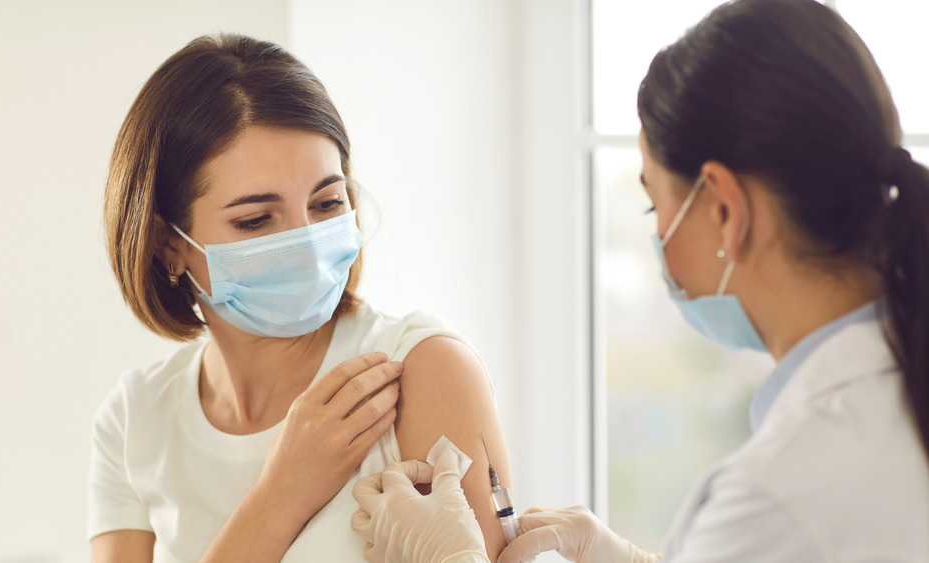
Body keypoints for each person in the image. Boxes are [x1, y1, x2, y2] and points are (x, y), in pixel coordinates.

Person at [350, 0, 929, 561]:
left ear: (725, 210)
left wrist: (451, 560)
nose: (659, 246)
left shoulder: (784, 491)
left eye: (656, 208)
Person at [88, 35, 512, 562]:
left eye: (327, 202)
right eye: (255, 220)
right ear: (168, 245)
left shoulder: (421, 371)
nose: (307, 244)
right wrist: (279, 497)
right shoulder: (135, 420)